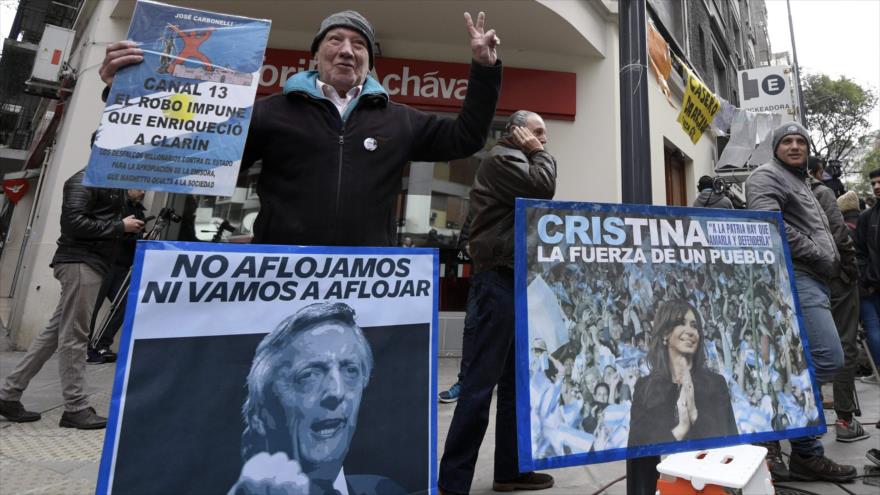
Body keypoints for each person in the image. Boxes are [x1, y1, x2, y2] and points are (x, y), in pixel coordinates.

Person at [98, 10, 502, 247]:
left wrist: (484, 71)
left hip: (366, 277)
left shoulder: (399, 119)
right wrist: (124, 91)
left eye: (359, 44)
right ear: (315, 55)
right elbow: (192, 154)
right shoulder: (270, 112)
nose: (347, 50)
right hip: (281, 274)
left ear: (369, 61)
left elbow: (466, 137)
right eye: (336, 40)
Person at [438, 110, 556, 494]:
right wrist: (538, 152)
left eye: (544, 135)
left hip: (514, 279)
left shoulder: (515, 160)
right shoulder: (505, 159)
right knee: (478, 387)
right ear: (517, 132)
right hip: (497, 282)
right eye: (537, 132)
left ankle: (509, 470)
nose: (543, 140)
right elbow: (543, 187)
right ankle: (453, 483)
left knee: (514, 384)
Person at [745, 122, 856, 482]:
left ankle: (806, 453)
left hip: (815, 279)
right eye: (787, 141)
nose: (795, 146)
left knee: (797, 362)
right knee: (828, 358)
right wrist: (818, 256)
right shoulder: (766, 176)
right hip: (796, 277)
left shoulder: (802, 182)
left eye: (801, 141)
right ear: (775, 147)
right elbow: (769, 223)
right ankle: (773, 432)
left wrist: (835, 262)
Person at [0, 169, 144, 429]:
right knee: (75, 336)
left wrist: (126, 222)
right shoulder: (82, 180)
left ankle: (8, 395)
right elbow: (73, 223)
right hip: (80, 262)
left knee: (54, 334)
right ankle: (76, 408)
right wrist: (119, 226)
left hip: (92, 263)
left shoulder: (112, 182)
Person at [229, 302, 405, 495]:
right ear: (260, 417)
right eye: (309, 375)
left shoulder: (384, 490)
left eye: (350, 371)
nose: (336, 392)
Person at [626, 300, 737, 493]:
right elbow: (639, 457)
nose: (690, 330)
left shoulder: (716, 384)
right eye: (681, 323)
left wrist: (695, 416)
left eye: (694, 325)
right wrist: (682, 427)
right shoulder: (645, 388)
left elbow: (730, 446)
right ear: (665, 334)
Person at [807, 157, 868, 443]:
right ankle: (844, 419)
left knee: (807, 348)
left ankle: (811, 419)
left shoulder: (778, 189)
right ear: (819, 172)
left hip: (801, 277)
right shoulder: (821, 192)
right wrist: (850, 269)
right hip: (834, 275)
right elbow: (838, 232)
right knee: (844, 343)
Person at [86, 188, 146, 364]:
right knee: (92, 307)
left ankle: (102, 344)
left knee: (125, 303)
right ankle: (85, 347)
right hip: (106, 263)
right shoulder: (117, 206)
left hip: (123, 266)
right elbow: (111, 233)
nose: (143, 192)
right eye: (139, 188)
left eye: (145, 188)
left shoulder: (140, 211)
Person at [856, 169, 880, 385]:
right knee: (873, 329)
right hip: (873, 287)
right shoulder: (867, 217)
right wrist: (869, 278)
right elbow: (861, 251)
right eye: (873, 183)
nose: (876, 186)